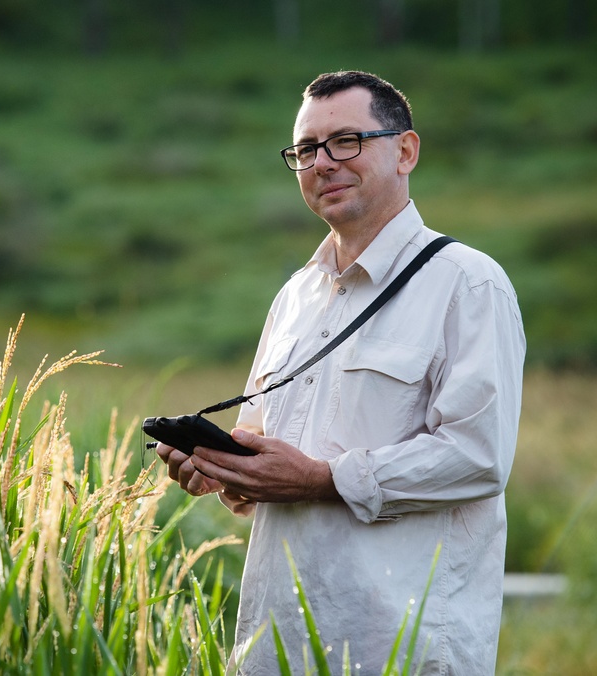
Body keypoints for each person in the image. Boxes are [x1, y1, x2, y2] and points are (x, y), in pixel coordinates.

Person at [157, 70, 526, 674]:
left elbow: (479, 455)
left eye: (346, 141)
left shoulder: (468, 282)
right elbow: (262, 466)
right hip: (278, 645)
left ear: (405, 151)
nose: (322, 163)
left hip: (402, 647)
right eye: (305, 149)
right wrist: (220, 468)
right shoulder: (295, 296)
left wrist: (322, 479)